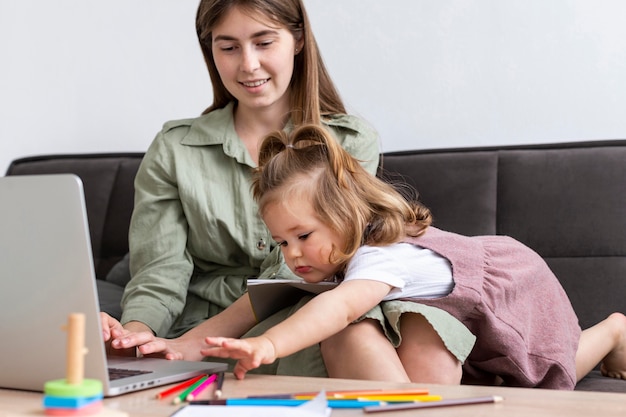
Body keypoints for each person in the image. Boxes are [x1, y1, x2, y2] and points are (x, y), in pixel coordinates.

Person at [102, 0, 474, 380]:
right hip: (200, 328)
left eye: (263, 43)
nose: (247, 64)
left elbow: (308, 268)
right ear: (209, 49)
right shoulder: (175, 147)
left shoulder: (347, 140)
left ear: (297, 39)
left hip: (309, 313)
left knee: (377, 328)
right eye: (228, 47)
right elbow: (159, 270)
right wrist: (137, 336)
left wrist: (200, 341)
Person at [201, 123, 626, 389]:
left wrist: (270, 344)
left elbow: (338, 309)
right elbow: (262, 298)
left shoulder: (378, 255)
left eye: (303, 236)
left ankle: (612, 330)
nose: (292, 254)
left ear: (345, 213)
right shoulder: (341, 252)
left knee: (549, 368)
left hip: (513, 289)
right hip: (460, 307)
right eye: (281, 243)